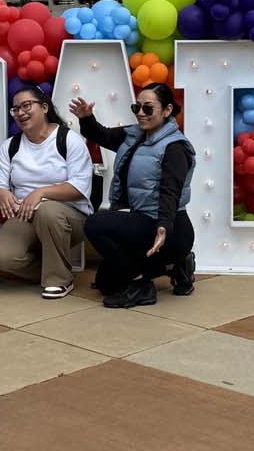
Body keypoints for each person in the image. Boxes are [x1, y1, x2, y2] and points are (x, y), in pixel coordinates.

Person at [69, 82, 196, 308]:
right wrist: (87, 118)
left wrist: (163, 225)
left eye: (148, 108)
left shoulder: (175, 147)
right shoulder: (135, 135)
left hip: (170, 229)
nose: (140, 113)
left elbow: (171, 191)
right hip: (144, 222)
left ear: (167, 110)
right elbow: (101, 135)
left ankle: (142, 285)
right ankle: (174, 265)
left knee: (95, 224)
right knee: (107, 284)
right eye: (136, 107)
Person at [0, 84, 94, 299]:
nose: (20, 112)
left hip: (68, 218)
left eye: (26, 105)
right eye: (15, 109)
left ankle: (59, 280)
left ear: (44, 107)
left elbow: (79, 187)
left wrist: (40, 193)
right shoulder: (10, 146)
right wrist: (1, 193)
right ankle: (53, 268)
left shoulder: (68, 140)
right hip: (25, 215)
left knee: (47, 210)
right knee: (3, 258)